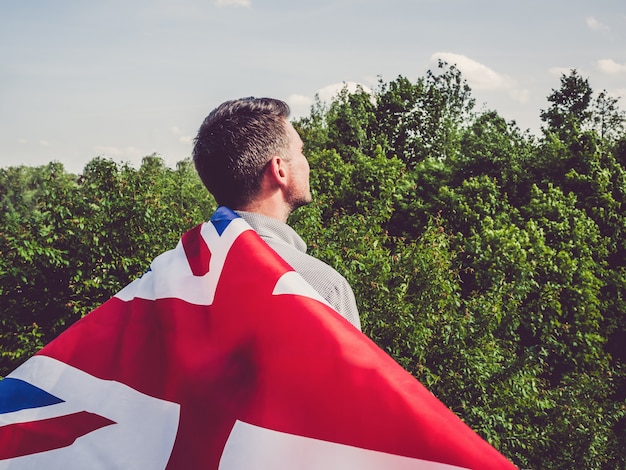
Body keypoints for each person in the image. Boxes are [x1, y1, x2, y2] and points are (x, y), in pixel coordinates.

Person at [192, 97, 361, 330]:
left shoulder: (168, 276)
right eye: (301, 151)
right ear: (279, 169)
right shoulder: (320, 287)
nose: (306, 162)